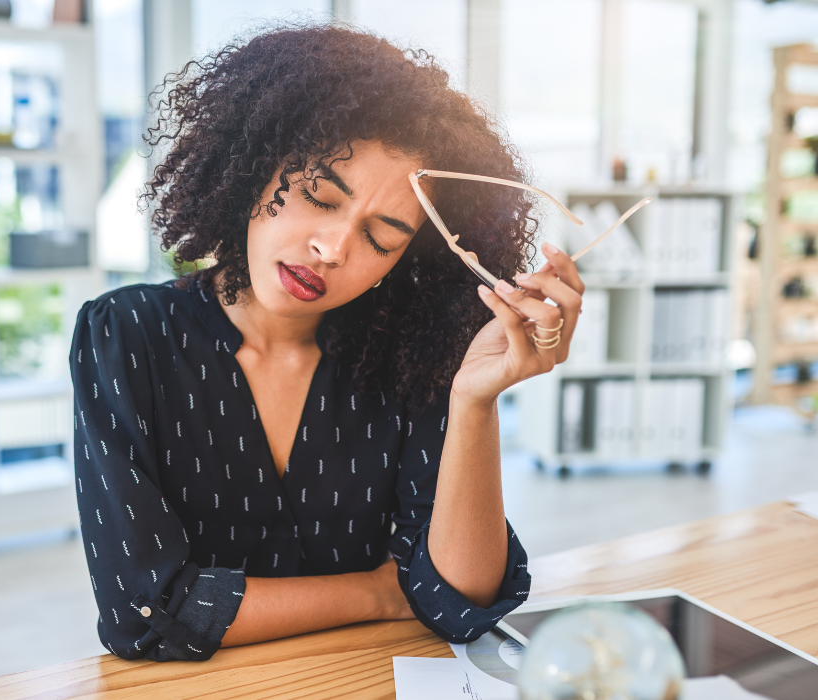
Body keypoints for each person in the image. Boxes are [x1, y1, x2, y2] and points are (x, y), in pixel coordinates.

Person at [70, 24, 583, 662]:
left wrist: (474, 400)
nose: (333, 249)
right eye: (318, 195)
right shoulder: (126, 337)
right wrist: (382, 594)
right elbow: (143, 614)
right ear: (254, 163)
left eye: (383, 238)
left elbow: (457, 600)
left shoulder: (410, 358)